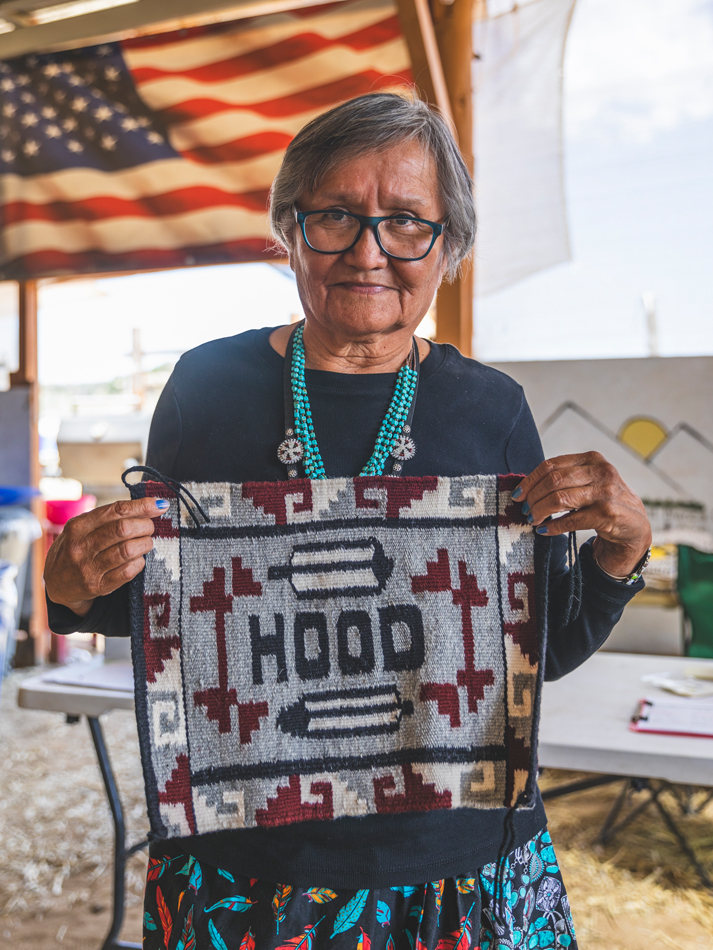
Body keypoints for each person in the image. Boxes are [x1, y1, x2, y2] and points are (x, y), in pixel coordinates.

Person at [44, 92, 651, 950]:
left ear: (449, 247)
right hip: (249, 874)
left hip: (461, 865)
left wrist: (621, 554)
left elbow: (530, 652)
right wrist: (70, 585)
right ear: (289, 231)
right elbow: (167, 610)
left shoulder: (491, 412)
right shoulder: (204, 391)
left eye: (406, 222)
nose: (369, 252)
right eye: (334, 215)